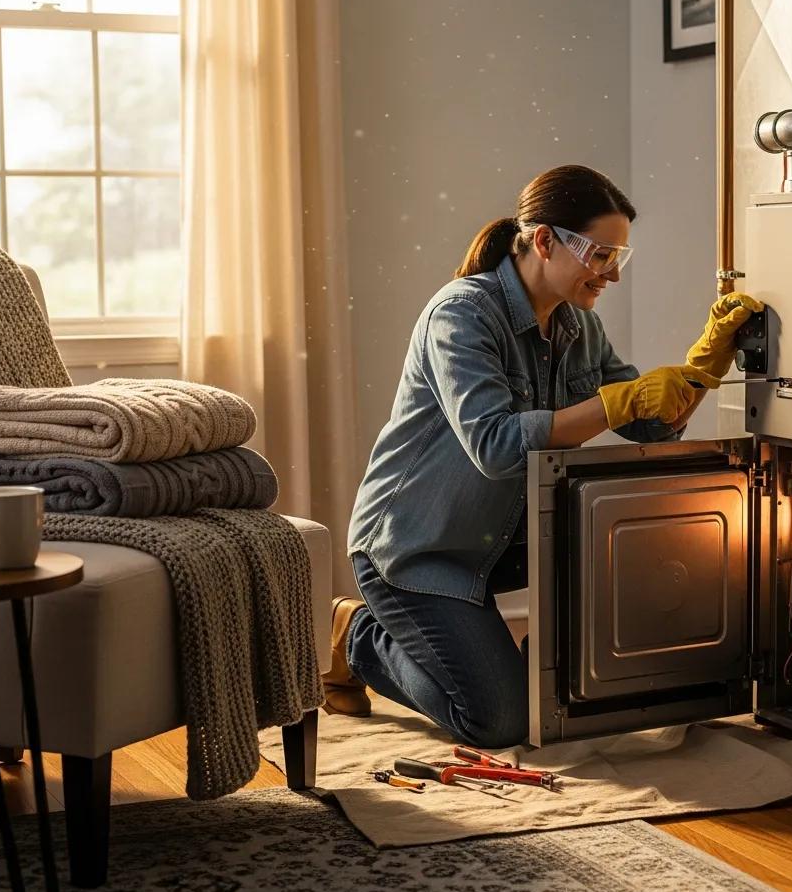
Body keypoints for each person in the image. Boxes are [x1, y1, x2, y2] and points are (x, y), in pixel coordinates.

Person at [325, 164, 762, 749]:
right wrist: (615, 403)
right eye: (600, 254)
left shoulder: (579, 327)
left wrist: (703, 367)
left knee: (627, 553)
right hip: (417, 546)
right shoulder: (460, 315)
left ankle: (526, 662)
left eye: (618, 257)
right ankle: (360, 635)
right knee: (502, 722)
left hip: (507, 538)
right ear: (545, 239)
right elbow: (496, 447)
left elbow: (650, 423)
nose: (610, 273)